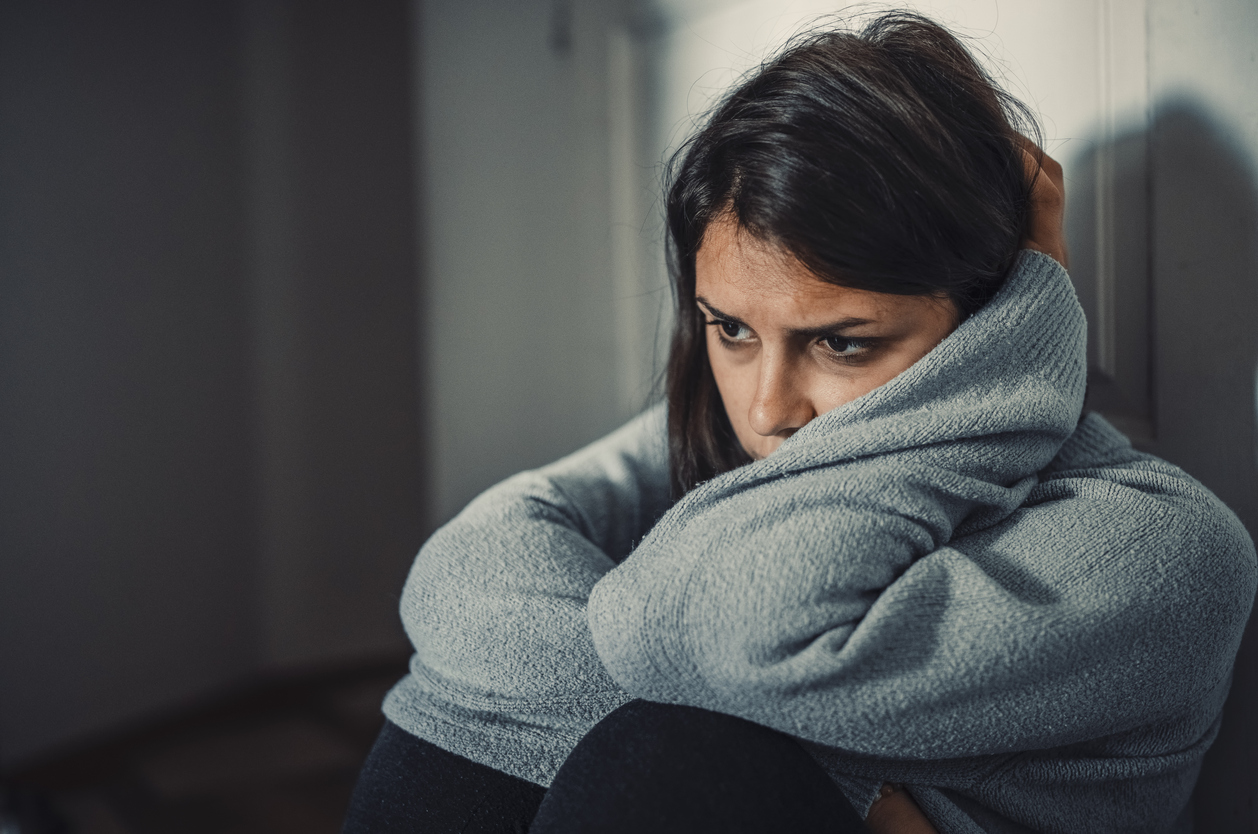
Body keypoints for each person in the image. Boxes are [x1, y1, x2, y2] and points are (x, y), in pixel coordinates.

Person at [343, 12, 1257, 834]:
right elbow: (473, 566)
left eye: (844, 344)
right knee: (493, 707)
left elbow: (748, 637)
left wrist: (1027, 331)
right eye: (732, 329)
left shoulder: (1164, 546)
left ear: (994, 324)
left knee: (669, 756)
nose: (769, 408)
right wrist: (862, 794)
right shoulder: (730, 431)